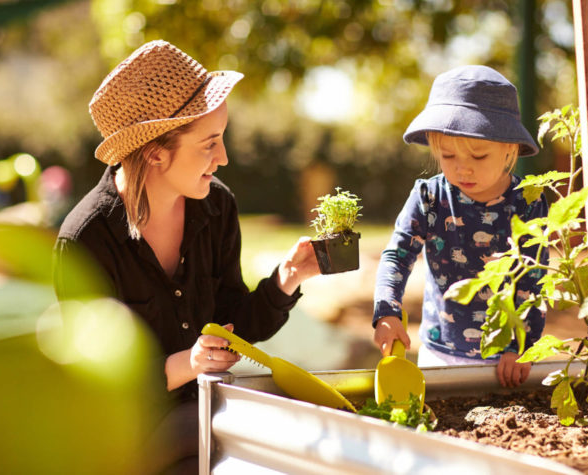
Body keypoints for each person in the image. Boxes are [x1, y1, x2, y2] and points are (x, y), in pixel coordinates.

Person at [52, 40, 320, 474]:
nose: (224, 158)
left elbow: (235, 326)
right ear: (155, 152)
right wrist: (188, 364)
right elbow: (97, 385)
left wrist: (286, 278)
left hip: (210, 423)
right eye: (209, 143)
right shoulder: (85, 240)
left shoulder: (216, 207)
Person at [372, 65, 549, 389]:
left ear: (510, 148)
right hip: (439, 353)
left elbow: (534, 278)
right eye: (448, 155)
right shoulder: (429, 196)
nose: (462, 168)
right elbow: (397, 255)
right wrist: (387, 311)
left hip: (506, 359)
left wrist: (521, 346)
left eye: (479, 156)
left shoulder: (528, 202)